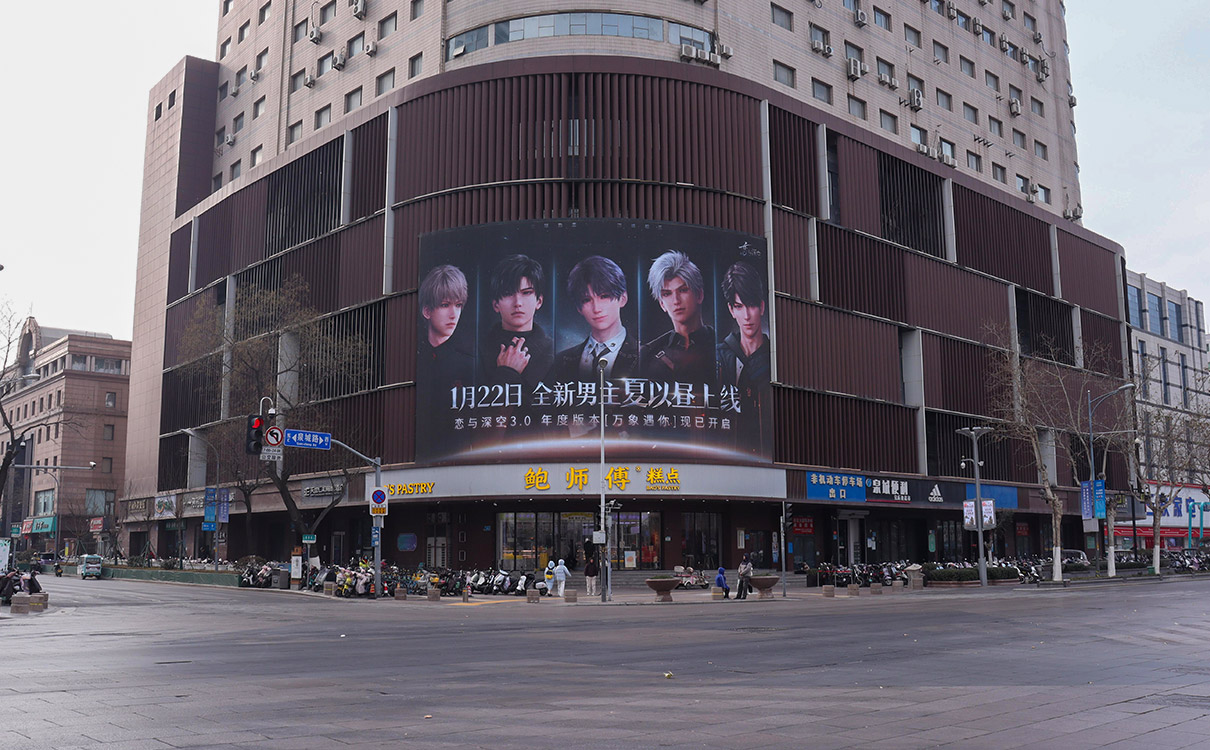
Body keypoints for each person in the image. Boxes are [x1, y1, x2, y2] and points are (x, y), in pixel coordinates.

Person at [549, 255, 639, 383]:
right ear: (579, 308)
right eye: (587, 300)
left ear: (623, 299)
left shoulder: (645, 356)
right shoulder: (561, 360)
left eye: (604, 296)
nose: (596, 308)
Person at [717, 261, 772, 454]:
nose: (747, 316)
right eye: (739, 306)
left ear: (762, 307)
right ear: (731, 310)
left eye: (751, 305)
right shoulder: (718, 357)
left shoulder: (775, 357)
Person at [639, 250, 716, 386]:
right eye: (667, 294)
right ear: (662, 304)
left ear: (699, 295)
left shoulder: (720, 346)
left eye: (683, 290)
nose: (676, 301)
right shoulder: (648, 353)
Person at [479, 254, 554, 392]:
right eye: (508, 293)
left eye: (526, 293)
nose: (518, 303)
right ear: (496, 305)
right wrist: (506, 372)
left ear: (539, 301)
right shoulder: (478, 349)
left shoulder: (555, 351)